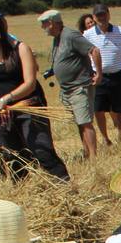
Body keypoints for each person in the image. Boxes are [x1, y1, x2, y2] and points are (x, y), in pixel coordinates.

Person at [0, 12, 69, 183]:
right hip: (0, 113)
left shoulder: (21, 48)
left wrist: (6, 99)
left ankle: (64, 186)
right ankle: (22, 191)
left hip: (28, 107)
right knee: (13, 156)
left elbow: (30, 83)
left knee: (41, 150)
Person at [39, 9, 101, 160]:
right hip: (68, 89)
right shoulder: (57, 38)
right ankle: (86, 153)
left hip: (80, 86)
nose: (43, 27)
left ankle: (94, 157)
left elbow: (94, 50)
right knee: (80, 122)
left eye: (44, 24)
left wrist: (99, 73)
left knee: (85, 122)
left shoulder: (70, 35)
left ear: (52, 23)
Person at [83, 3, 121, 146]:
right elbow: (81, 53)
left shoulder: (120, 31)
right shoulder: (87, 35)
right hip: (98, 77)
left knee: (120, 109)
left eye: (104, 14)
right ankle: (105, 138)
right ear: (94, 18)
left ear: (109, 14)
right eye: (98, 15)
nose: (102, 18)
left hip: (119, 75)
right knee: (99, 110)